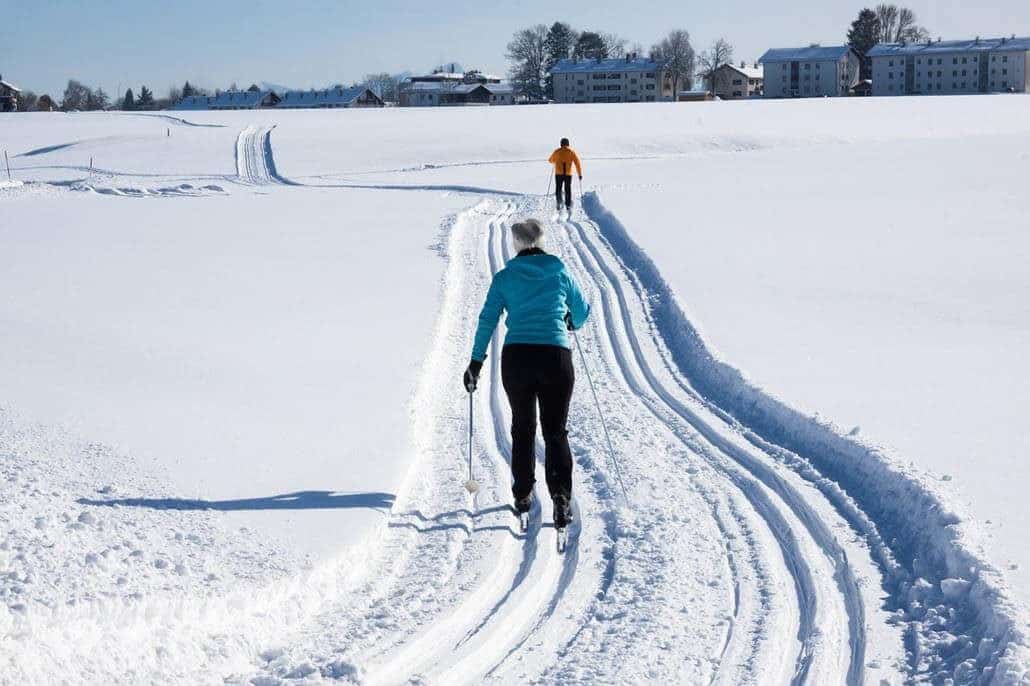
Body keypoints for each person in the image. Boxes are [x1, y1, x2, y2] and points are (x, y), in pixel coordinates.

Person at [463, 218, 590, 528]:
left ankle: (522, 495)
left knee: (522, 427)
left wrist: (476, 364)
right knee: (555, 431)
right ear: (542, 241)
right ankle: (561, 498)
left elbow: (487, 321)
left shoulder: (505, 278)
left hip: (517, 358)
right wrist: (570, 320)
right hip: (555, 357)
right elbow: (582, 311)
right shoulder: (560, 271)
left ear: (516, 244)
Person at [548, 138, 582, 215]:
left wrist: (555, 160)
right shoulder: (571, 152)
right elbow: (577, 163)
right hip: (568, 174)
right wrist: (579, 174)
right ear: (568, 144)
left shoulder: (557, 151)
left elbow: (550, 160)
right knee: (567, 189)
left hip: (558, 174)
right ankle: (568, 205)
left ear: (561, 144)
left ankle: (559, 203)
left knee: (558, 189)